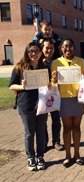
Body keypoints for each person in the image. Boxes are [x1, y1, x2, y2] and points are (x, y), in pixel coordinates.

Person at [9, 42, 50, 171]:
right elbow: (11, 86)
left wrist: (49, 86)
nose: (34, 53)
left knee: (41, 131)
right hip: (26, 105)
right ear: (27, 52)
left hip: (41, 104)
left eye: (37, 51)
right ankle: (31, 157)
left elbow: (47, 85)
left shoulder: (44, 67)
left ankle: (41, 156)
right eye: (31, 51)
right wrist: (22, 86)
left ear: (41, 53)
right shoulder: (19, 68)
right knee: (29, 133)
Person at [51, 38, 84, 167]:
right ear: (61, 48)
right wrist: (54, 79)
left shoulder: (81, 61)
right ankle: (68, 155)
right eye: (65, 46)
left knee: (76, 127)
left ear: (74, 47)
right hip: (64, 99)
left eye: (70, 46)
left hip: (78, 98)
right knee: (67, 128)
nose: (68, 49)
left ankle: (77, 154)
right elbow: (53, 84)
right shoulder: (56, 63)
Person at [41, 39, 63, 152]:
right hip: (42, 95)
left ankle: (56, 142)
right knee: (43, 120)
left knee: (56, 119)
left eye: (51, 48)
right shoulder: (38, 61)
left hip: (54, 93)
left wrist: (55, 79)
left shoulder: (58, 61)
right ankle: (44, 142)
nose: (49, 50)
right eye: (47, 48)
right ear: (42, 49)